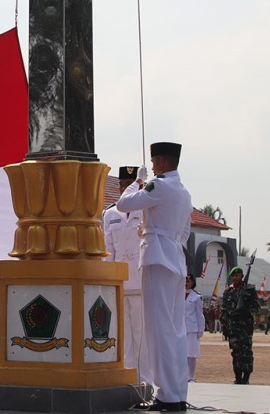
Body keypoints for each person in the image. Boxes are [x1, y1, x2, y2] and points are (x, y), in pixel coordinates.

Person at [116, 142, 192, 412]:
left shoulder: (158, 185)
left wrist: (138, 181)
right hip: (175, 260)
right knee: (175, 331)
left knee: (158, 331)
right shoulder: (184, 192)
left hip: (157, 258)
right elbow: (184, 233)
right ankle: (177, 392)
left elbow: (123, 204)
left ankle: (167, 396)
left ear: (159, 162)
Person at [103, 165, 151, 385]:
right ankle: (127, 380)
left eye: (131, 185)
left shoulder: (146, 210)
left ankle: (145, 381)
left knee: (142, 336)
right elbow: (108, 251)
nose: (126, 190)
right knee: (123, 336)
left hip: (141, 282)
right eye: (123, 185)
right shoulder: (110, 213)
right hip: (120, 284)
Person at [220, 266, 260, 385]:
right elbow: (224, 311)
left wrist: (245, 307)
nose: (235, 277)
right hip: (232, 327)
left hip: (245, 327)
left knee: (246, 352)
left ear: (242, 276)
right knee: (236, 352)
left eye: (237, 275)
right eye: (233, 276)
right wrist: (225, 327)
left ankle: (246, 377)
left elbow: (257, 308)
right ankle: (237, 376)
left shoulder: (249, 290)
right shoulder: (228, 291)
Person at [184, 274, 204, 383]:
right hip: (181, 329)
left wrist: (200, 329)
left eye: (189, 281)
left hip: (192, 328)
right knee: (182, 353)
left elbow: (199, 314)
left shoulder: (196, 296)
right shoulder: (178, 294)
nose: (186, 283)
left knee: (191, 354)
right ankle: (183, 376)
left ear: (193, 282)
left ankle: (191, 376)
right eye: (185, 280)